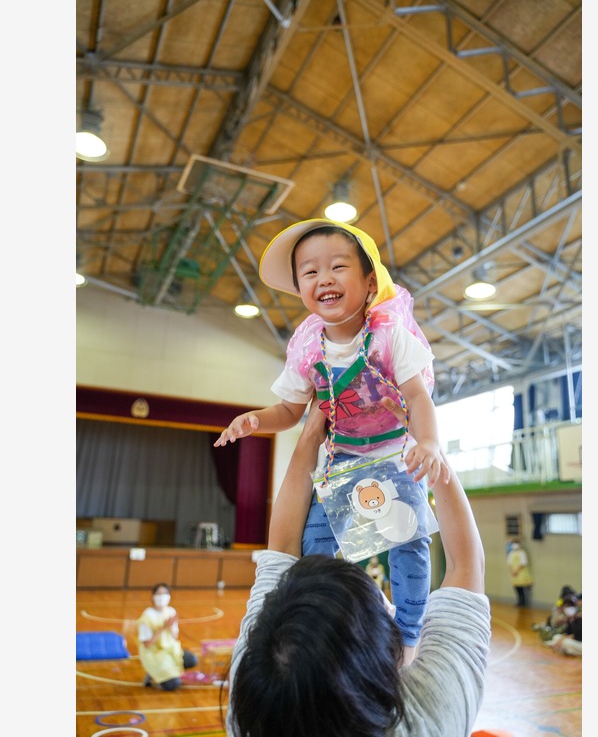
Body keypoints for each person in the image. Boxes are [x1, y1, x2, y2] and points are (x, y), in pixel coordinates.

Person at [214, 218, 451, 663]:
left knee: (410, 545)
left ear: (369, 281)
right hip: (341, 462)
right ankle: (318, 624)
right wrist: (255, 421)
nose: (323, 278)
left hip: (395, 456)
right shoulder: (308, 349)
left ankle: (408, 636)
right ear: (301, 289)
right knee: (315, 545)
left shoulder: (389, 336)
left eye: (338, 267)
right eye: (310, 272)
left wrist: (429, 443)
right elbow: (289, 411)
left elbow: (419, 396)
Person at [226, 407, 489, 737]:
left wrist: (311, 432)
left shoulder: (252, 705)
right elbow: (467, 565)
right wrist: (428, 442)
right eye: (380, 606)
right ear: (378, 660)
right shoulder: (430, 717)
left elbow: (282, 546)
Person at [136, 583, 199, 691]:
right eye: (159, 594)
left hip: (170, 650)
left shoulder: (170, 611)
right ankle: (153, 674)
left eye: (165, 593)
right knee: (172, 685)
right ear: (153, 596)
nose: (162, 597)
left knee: (192, 660)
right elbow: (147, 644)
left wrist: (170, 627)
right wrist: (163, 627)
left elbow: (175, 637)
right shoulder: (147, 616)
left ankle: (165, 672)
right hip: (154, 654)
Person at [543, 590, 581, 657]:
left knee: (566, 643)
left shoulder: (579, 617)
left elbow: (577, 635)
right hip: (572, 639)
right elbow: (567, 632)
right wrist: (560, 640)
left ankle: (563, 648)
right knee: (556, 637)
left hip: (579, 641)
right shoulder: (571, 617)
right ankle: (560, 646)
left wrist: (562, 640)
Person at [506, 539, 533, 606]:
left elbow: (523, 563)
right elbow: (509, 563)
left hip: (521, 573)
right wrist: (512, 571)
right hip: (514, 574)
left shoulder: (522, 553)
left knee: (522, 588)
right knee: (516, 588)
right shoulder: (511, 553)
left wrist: (517, 570)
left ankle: (523, 602)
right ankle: (519, 601)